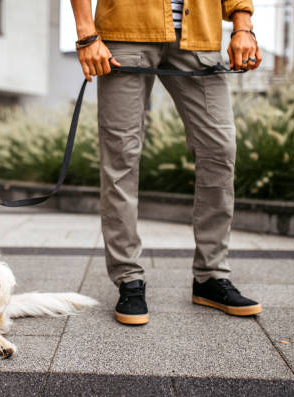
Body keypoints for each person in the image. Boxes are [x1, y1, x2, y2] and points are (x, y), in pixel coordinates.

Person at [70, 0, 262, 325]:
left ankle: (210, 276)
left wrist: (243, 27)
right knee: (121, 157)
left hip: (198, 31)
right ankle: (129, 278)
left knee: (219, 149)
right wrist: (87, 34)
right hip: (125, 29)